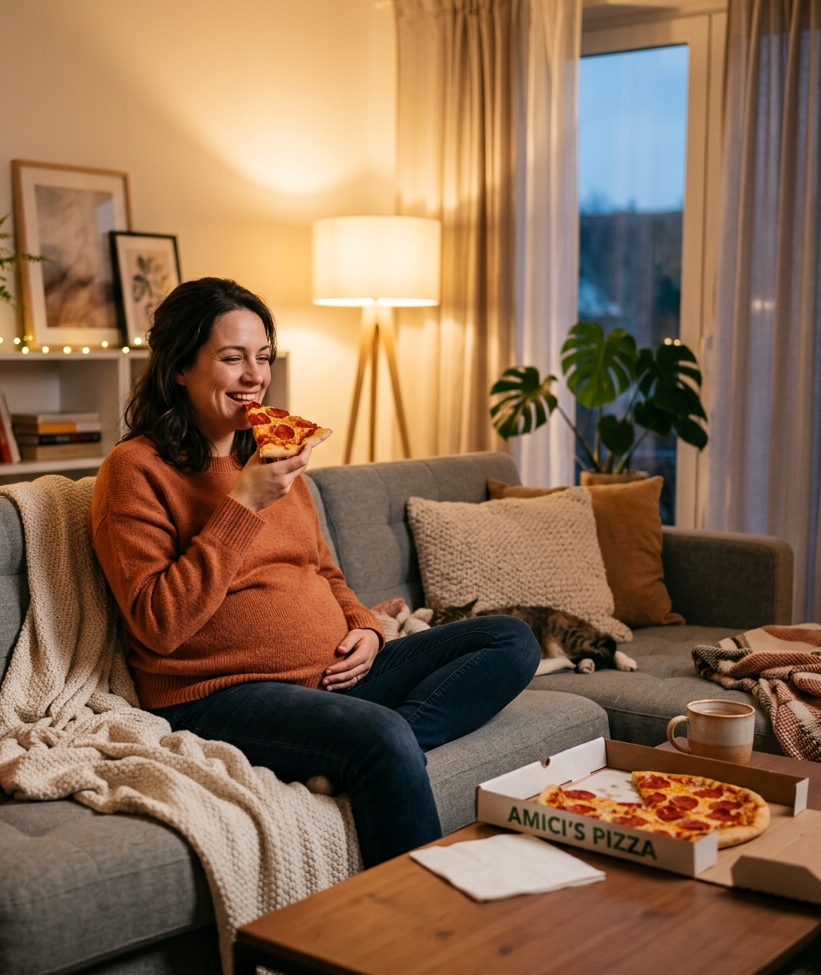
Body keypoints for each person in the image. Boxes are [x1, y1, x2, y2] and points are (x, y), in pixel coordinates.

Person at [88, 277, 540, 868]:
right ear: (179, 367)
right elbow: (158, 623)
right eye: (232, 358)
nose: (255, 376)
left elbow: (323, 569)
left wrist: (368, 629)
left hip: (334, 676)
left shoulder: (271, 451)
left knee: (510, 639)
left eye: (262, 357)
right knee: (383, 740)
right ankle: (420, 923)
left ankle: (359, 746)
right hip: (218, 694)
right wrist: (242, 504)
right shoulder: (135, 470)